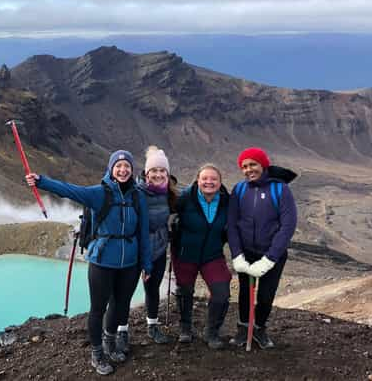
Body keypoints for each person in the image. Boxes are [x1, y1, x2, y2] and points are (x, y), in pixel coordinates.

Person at [25, 150, 151, 376]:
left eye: (127, 166)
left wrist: (147, 264)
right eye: (118, 166)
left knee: (121, 305)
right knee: (98, 308)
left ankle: (109, 343)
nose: (123, 170)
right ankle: (97, 352)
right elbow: (70, 190)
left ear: (132, 170)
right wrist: (41, 181)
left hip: (130, 263)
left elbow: (143, 232)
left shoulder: (137, 196)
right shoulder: (98, 193)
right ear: (111, 169)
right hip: (102, 261)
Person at [227, 147, 297, 349]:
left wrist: (270, 258)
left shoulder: (280, 189)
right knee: (244, 293)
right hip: (246, 252)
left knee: (266, 294)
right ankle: (243, 328)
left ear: (263, 165)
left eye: (253, 165)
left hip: (272, 254)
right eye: (244, 166)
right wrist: (237, 254)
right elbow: (231, 224)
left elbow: (288, 225)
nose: (249, 170)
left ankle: (259, 328)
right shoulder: (239, 190)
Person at [109, 146, 177, 350]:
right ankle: (121, 330)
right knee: (125, 291)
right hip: (134, 250)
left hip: (158, 250)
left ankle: (152, 326)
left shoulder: (172, 194)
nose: (158, 174)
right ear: (146, 173)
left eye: (162, 171)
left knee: (152, 289)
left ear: (167, 173)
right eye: (153, 171)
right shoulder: (135, 192)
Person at [170, 164, 231, 349]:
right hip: (185, 254)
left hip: (212, 255)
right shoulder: (184, 198)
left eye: (213, 179)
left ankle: (211, 332)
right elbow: (162, 209)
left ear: (220, 183)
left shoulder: (226, 201)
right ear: (198, 180)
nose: (209, 182)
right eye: (205, 178)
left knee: (221, 292)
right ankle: (185, 328)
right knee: (185, 291)